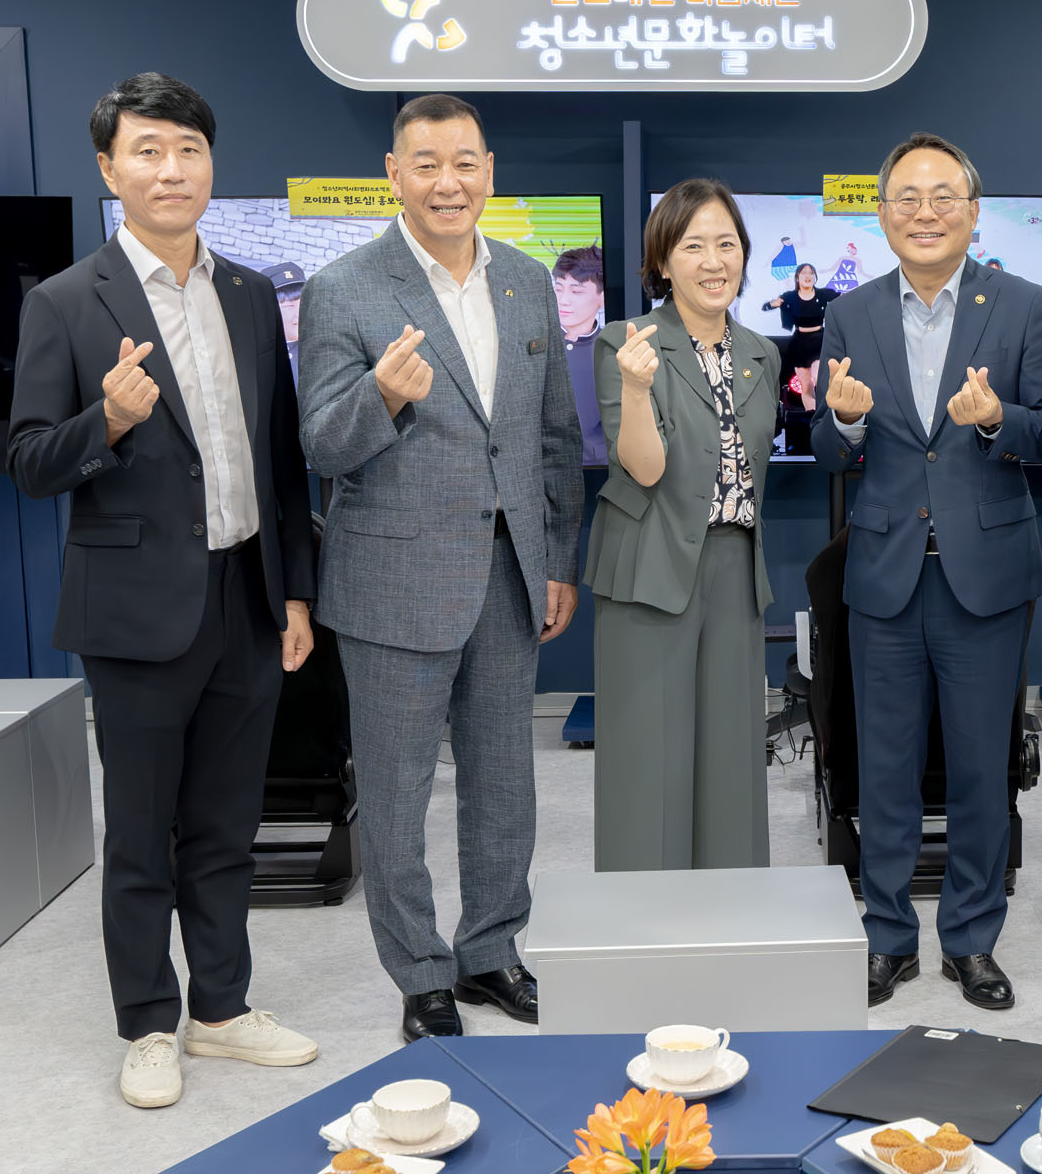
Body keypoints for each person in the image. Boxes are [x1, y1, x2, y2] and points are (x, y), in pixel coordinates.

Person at [7, 73, 320, 1108]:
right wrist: (106, 421)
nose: (171, 169)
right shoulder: (65, 301)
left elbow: (281, 460)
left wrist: (296, 594)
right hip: (137, 612)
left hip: (246, 597)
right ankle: (147, 1022)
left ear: (210, 163)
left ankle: (220, 1010)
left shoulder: (249, 294)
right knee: (142, 835)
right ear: (110, 169)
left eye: (187, 149)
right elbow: (28, 461)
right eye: (147, 151)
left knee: (227, 828)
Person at [296, 93, 583, 1041]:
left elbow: (552, 436)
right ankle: (420, 974)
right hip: (392, 584)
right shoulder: (345, 288)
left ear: (489, 172)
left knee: (505, 786)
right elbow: (321, 446)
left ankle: (490, 952)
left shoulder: (527, 282)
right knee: (395, 796)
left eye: (464, 163)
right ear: (395, 174)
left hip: (510, 576)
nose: (447, 182)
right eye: (427, 164)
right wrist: (380, 397)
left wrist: (557, 558)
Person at [814, 132, 1042, 1011]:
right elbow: (828, 450)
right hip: (885, 575)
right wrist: (845, 423)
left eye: (943, 197)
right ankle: (888, 938)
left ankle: (971, 940)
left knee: (980, 771)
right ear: (883, 214)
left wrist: (998, 420)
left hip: (986, 578)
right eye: (907, 199)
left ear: (973, 210)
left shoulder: (1023, 304)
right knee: (882, 770)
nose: (925, 213)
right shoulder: (849, 314)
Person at [587, 179, 781, 870]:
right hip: (650, 563)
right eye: (693, 245)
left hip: (735, 566)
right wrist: (638, 391)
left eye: (726, 244)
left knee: (734, 760)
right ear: (663, 261)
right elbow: (644, 468)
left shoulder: (760, 353)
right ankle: (643, 916)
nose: (713, 261)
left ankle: (729, 910)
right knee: (649, 761)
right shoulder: (625, 343)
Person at [554, 244, 609, 465]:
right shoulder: (537, 344)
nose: (563, 300)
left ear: (602, 297)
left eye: (576, 291)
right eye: (558, 289)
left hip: (597, 467)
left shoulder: (610, 348)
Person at [761, 261, 835, 410]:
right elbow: (765, 307)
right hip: (800, 342)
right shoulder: (790, 297)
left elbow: (843, 298)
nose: (808, 276)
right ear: (797, 277)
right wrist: (773, 304)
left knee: (818, 377)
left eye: (811, 273)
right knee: (806, 385)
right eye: (804, 273)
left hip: (819, 340)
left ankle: (825, 413)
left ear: (815, 277)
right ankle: (812, 415)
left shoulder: (823, 294)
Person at [261, 260, 306, 382]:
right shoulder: (255, 351)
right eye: (289, 306)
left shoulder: (319, 349)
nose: (298, 313)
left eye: (303, 303)